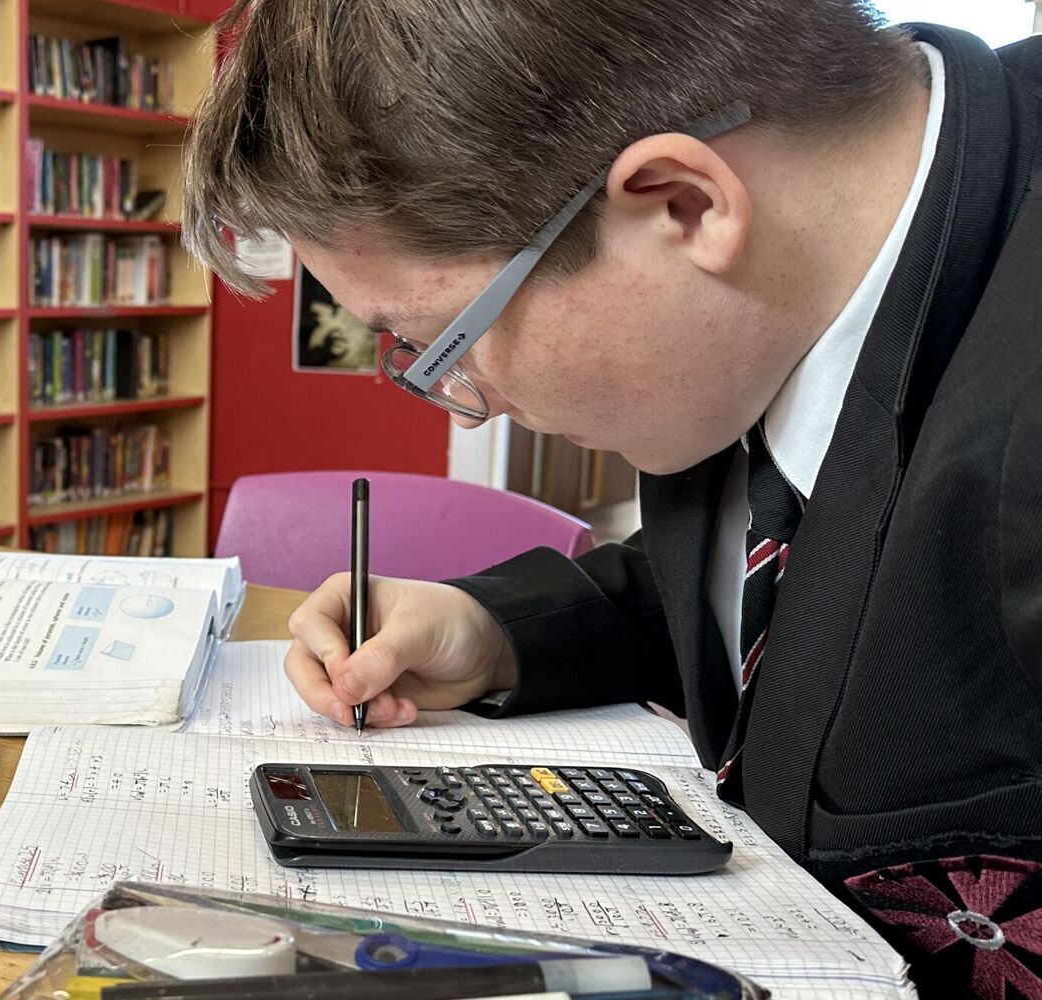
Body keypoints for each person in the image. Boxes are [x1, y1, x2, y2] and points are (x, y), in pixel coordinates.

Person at [184, 2, 1042, 995]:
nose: (462, 412)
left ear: (679, 204)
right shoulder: (763, 314)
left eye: (439, 343)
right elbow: (798, 578)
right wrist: (494, 629)